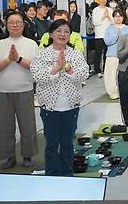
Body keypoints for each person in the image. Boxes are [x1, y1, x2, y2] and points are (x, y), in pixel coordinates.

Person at [30, 19, 89, 176]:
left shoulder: (75, 53)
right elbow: (37, 76)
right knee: (51, 144)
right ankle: (52, 175)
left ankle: (67, 174)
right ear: (51, 34)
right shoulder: (42, 54)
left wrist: (68, 68)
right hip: (50, 107)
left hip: (71, 106)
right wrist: (56, 68)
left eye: (66, 31)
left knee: (68, 143)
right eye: (58, 31)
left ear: (70, 35)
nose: (62, 34)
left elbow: (84, 74)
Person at [0, 11, 38, 168]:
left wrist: (18, 59)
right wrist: (9, 59)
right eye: (11, 22)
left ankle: (28, 155)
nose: (15, 25)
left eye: (18, 22)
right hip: (3, 91)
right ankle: (8, 156)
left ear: (23, 25)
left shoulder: (31, 44)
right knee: (5, 126)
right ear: (6, 25)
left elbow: (35, 67)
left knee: (27, 124)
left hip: (25, 89)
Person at [103, 10, 128, 100]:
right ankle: (113, 93)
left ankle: (124, 92)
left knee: (123, 75)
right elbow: (107, 41)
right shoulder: (109, 28)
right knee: (110, 75)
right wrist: (116, 36)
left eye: (120, 16)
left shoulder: (126, 28)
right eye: (116, 16)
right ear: (113, 17)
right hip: (112, 55)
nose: (118, 18)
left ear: (123, 17)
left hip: (124, 55)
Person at [92, 0, 113, 78]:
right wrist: (103, 17)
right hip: (99, 35)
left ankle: (106, 69)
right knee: (98, 53)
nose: (103, 0)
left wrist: (109, 17)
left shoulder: (110, 10)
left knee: (107, 54)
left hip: (108, 35)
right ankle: (97, 70)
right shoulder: (95, 10)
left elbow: (113, 22)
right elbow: (95, 22)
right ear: (98, 0)